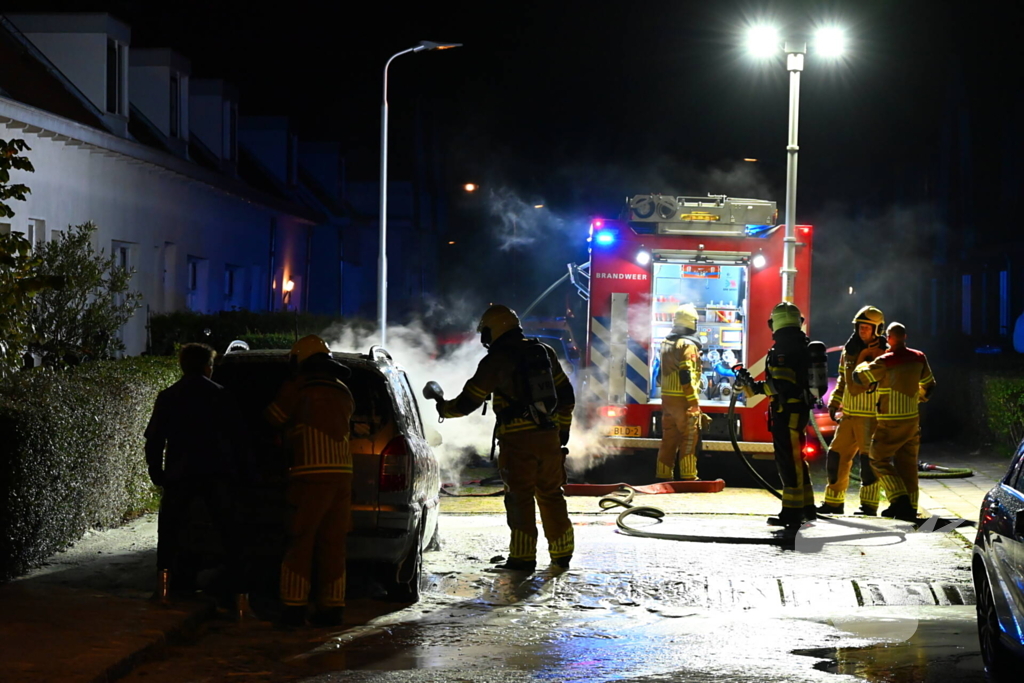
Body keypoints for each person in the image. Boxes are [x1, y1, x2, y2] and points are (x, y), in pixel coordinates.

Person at [434, 304, 576, 573]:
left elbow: (468, 401)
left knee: (519, 497)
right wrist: (561, 431)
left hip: (517, 441)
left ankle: (522, 559)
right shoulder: (544, 352)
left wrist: (443, 409)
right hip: (549, 439)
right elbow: (566, 396)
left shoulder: (497, 360)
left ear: (493, 330)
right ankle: (562, 554)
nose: (484, 338)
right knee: (552, 495)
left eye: (485, 332)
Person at [145, 343, 248, 605]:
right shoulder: (221, 395)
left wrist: (157, 471)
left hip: (181, 471)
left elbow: (155, 439)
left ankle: (164, 588)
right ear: (207, 367)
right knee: (230, 533)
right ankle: (238, 594)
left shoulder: (169, 396)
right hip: (217, 472)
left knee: (169, 530)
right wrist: (240, 471)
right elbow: (238, 438)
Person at [265, 335, 354, 627]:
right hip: (342, 476)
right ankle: (332, 608)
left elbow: (272, 420)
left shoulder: (298, 387)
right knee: (333, 543)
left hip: (309, 474)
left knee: (301, 540)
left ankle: (293, 607)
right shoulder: (343, 390)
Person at [737, 302, 816, 536]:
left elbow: (782, 384)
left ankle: (792, 512)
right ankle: (807, 507)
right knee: (796, 459)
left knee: (789, 462)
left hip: (788, 412)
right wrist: (756, 386)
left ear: (776, 322)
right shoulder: (799, 344)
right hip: (794, 410)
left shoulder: (785, 348)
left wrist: (756, 387)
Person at [853, 322, 936, 523]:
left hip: (890, 422)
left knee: (877, 458)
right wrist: (917, 397)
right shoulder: (919, 357)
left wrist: (863, 361)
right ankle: (911, 508)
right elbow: (929, 384)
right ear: (905, 336)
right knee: (907, 464)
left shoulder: (885, 361)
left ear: (889, 337)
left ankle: (899, 500)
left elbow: (859, 378)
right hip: (912, 421)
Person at [817, 306, 887, 516]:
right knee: (836, 456)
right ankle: (834, 502)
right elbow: (842, 379)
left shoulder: (884, 353)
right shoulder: (849, 351)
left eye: (867, 327)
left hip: (871, 415)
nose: (862, 331)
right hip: (850, 414)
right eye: (860, 327)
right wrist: (834, 401)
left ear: (877, 329)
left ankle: (869, 505)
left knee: (869, 462)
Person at [656, 303, 708, 481]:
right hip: (683, 400)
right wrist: (693, 403)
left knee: (669, 438)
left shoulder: (665, 342)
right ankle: (688, 476)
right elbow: (687, 374)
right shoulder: (688, 345)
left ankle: (663, 475)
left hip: (667, 399)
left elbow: (659, 374)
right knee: (689, 438)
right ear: (692, 323)